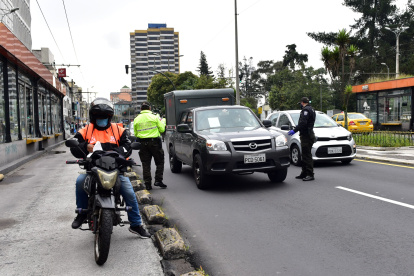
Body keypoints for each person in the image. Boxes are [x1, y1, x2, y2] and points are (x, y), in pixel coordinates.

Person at [69, 97, 150, 238]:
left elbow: (127, 147)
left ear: (109, 117)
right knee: (80, 182)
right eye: (99, 116)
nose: (102, 119)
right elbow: (75, 147)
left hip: (115, 170)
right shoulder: (85, 130)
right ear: (93, 117)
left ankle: (136, 224)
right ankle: (82, 213)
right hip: (92, 170)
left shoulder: (118, 130)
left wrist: (117, 154)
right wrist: (84, 147)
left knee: (129, 193)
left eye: (104, 117)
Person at [133, 102, 166, 190]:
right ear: (149, 108)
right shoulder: (155, 117)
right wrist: (162, 121)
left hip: (142, 144)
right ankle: (158, 180)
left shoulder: (136, 119)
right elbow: (162, 129)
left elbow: (136, 133)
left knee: (146, 164)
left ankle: (148, 184)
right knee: (159, 162)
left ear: (141, 109)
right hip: (154, 143)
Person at [288, 97, 316, 181]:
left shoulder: (306, 111)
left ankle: (310, 174)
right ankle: (304, 172)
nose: (300, 105)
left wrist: (294, 130)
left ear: (302, 103)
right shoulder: (311, 109)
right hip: (308, 134)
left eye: (300, 103)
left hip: (306, 136)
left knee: (307, 155)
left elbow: (303, 123)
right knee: (304, 154)